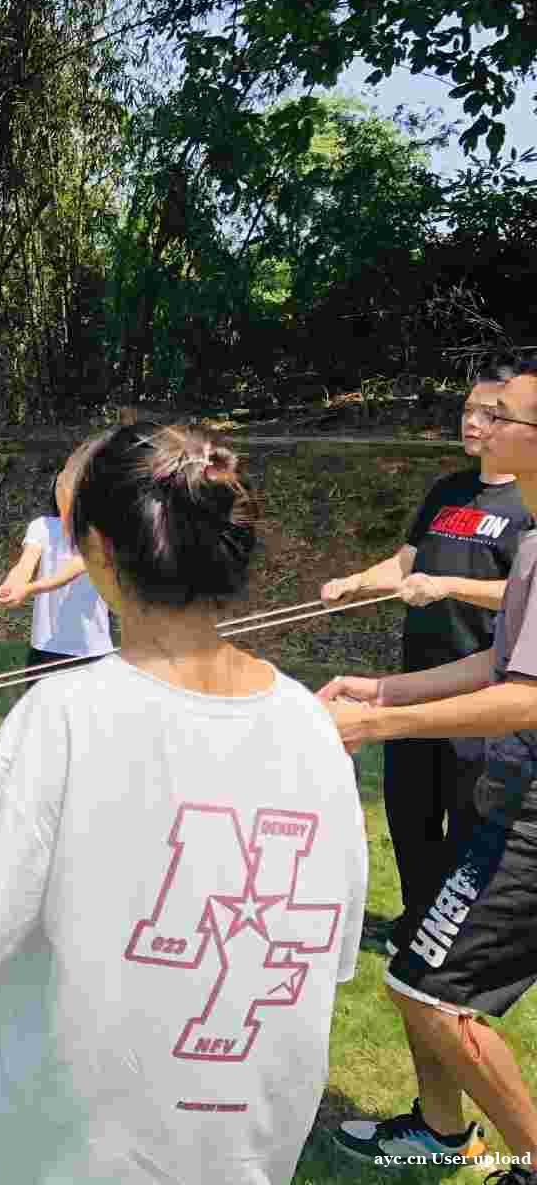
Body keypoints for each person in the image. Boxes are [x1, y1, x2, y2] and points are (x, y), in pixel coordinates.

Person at [0, 424, 368, 1184]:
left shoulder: (67, 712)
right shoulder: (310, 726)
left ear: (93, 549)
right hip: (246, 1143)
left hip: (88, 1147)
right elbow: (330, 940)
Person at [322, 357, 537, 1180]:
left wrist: (378, 722)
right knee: (417, 975)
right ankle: (443, 1132)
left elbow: (523, 698)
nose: (482, 422)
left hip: (526, 807)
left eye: (504, 413)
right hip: (512, 795)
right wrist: (381, 687)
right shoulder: (525, 543)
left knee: (431, 993)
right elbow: (493, 668)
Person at [318, 357, 529, 960]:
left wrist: (448, 587)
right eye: (467, 409)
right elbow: (408, 565)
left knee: (469, 819)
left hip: (482, 688)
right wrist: (359, 580)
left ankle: (453, 937)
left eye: (489, 412)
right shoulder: (448, 490)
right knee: (411, 814)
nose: (472, 421)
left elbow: (525, 595)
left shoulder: (529, 504)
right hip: (416, 678)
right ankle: (414, 922)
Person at [0, 468, 114, 678]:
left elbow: (71, 570)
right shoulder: (41, 526)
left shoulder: (101, 532)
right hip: (44, 648)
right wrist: (11, 586)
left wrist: (28, 589)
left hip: (91, 649)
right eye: (61, 486)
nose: (65, 492)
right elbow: (25, 565)